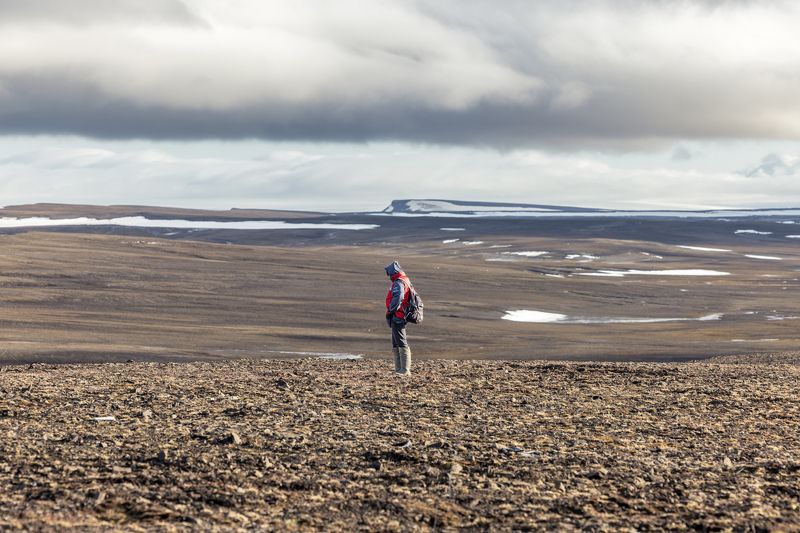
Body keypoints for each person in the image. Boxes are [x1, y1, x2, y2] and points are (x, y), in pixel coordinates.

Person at [385, 261, 412, 375]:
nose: (389, 276)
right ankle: (399, 369)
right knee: (396, 343)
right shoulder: (403, 280)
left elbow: (399, 296)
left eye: (389, 274)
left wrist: (392, 309)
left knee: (400, 342)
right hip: (398, 315)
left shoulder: (399, 282)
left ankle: (404, 370)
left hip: (398, 315)